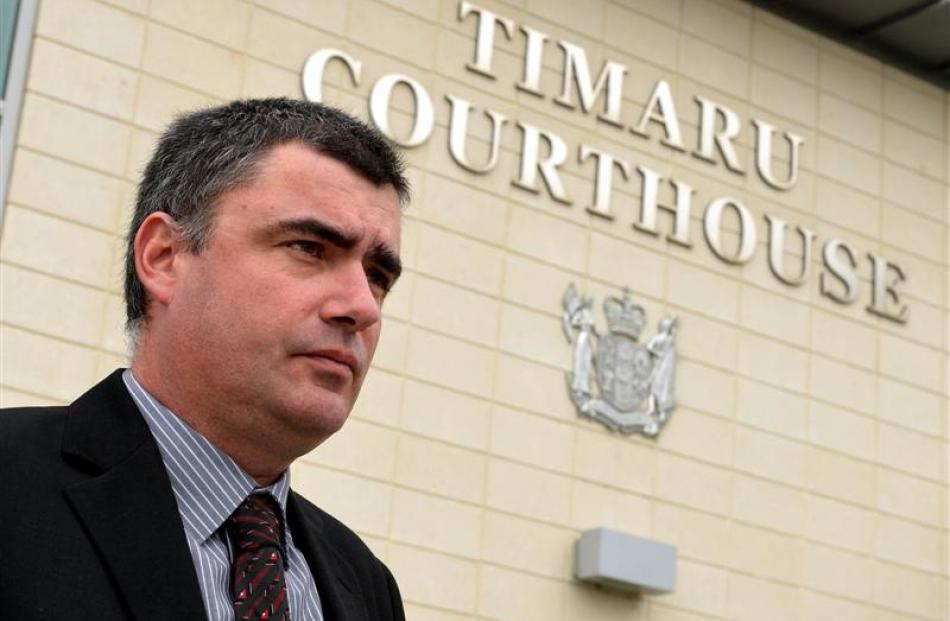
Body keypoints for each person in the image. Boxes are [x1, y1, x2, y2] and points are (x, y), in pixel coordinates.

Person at [0, 98, 409, 621]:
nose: (361, 306)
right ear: (164, 257)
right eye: (309, 248)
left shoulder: (366, 585)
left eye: (378, 276)